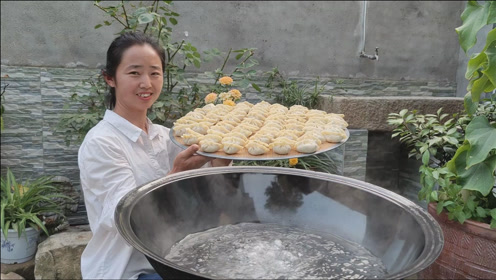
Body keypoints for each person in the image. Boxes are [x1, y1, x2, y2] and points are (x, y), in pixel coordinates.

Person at [78, 31, 230, 280]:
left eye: (155, 72)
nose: (146, 83)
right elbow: (127, 218)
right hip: (129, 269)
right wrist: (175, 176)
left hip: (170, 257)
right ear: (110, 78)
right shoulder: (102, 143)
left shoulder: (166, 135)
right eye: (134, 72)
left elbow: (211, 192)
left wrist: (219, 156)